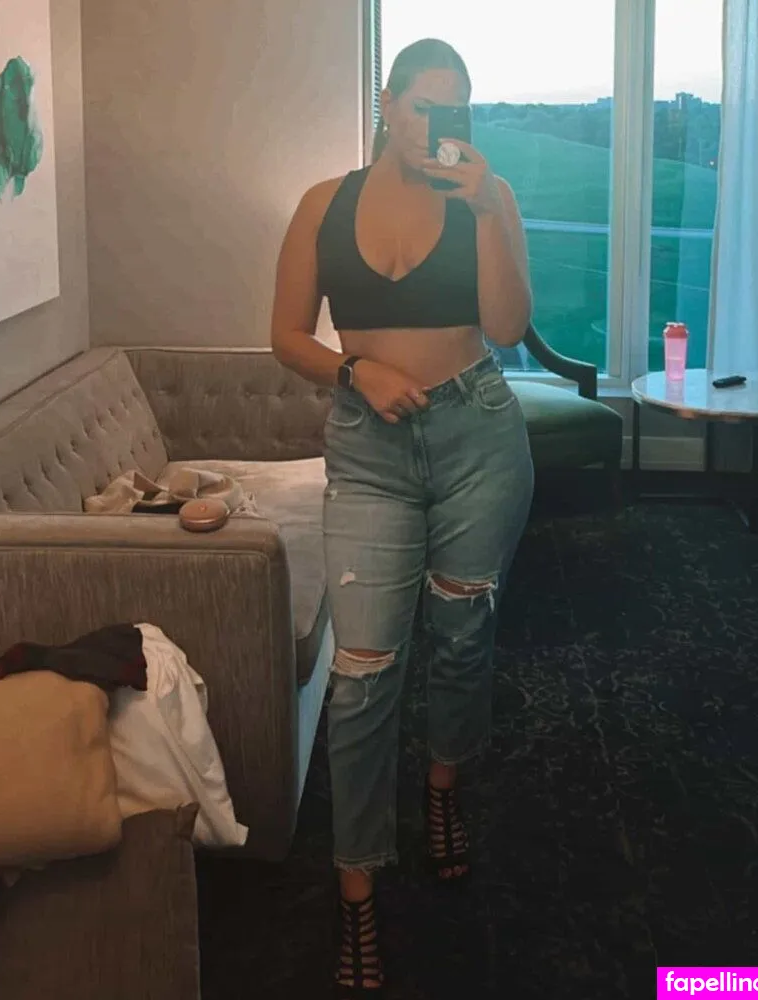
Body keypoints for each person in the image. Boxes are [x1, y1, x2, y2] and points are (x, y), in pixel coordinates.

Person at [270, 37, 534, 996]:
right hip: (369, 450)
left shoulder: (485, 199)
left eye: (455, 108)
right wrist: (356, 369)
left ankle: (443, 786)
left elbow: (507, 327)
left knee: (463, 636)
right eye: (423, 104)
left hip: (478, 436)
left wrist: (490, 206)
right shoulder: (323, 204)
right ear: (387, 104)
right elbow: (285, 335)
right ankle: (356, 887)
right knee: (363, 673)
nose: (437, 124)